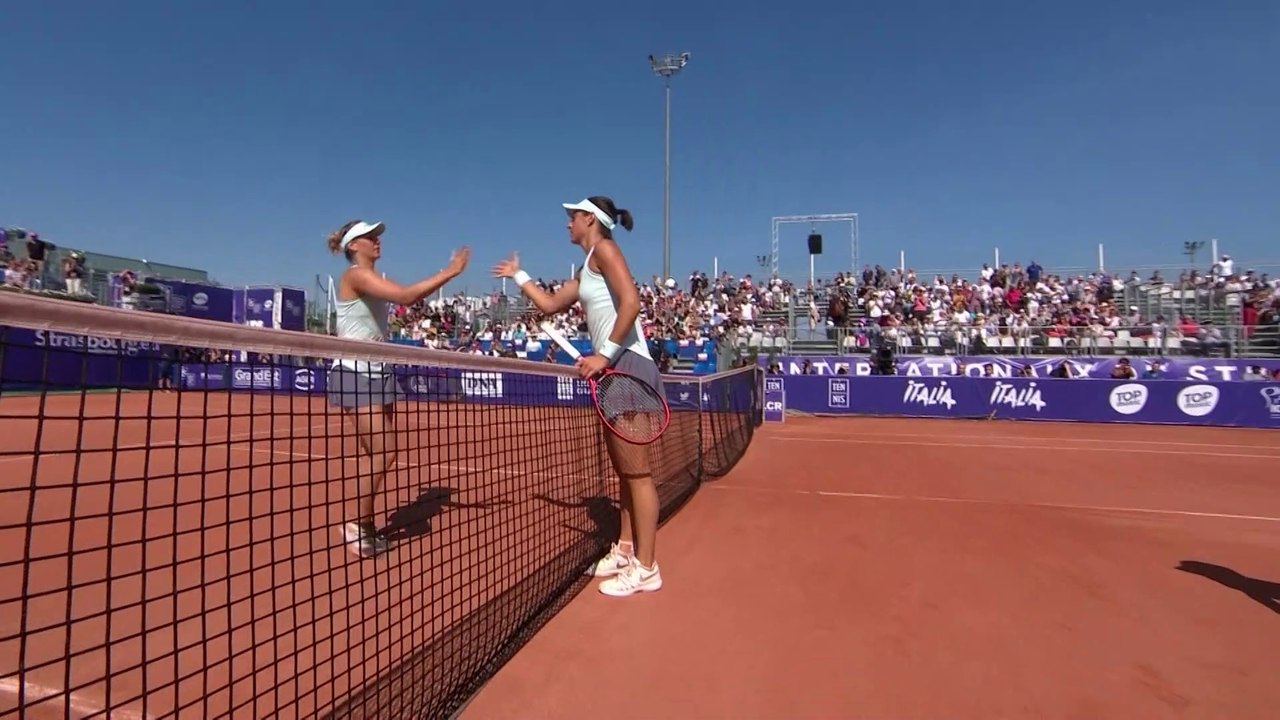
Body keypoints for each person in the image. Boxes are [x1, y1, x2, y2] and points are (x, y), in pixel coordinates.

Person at [491, 196, 665, 597]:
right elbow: (551, 304)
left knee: (637, 473)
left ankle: (648, 567)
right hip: (613, 373)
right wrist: (519, 275)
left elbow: (632, 303)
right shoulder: (587, 268)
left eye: (573, 217)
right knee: (625, 471)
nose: (568, 223)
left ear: (590, 219)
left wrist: (604, 355)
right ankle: (624, 550)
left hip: (627, 367)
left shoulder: (605, 249)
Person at [325, 219, 470, 558]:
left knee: (375, 453)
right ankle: (358, 524)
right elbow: (406, 296)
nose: (377, 241)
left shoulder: (372, 278)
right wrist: (450, 271)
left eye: (377, 236)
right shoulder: (355, 275)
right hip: (353, 371)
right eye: (369, 237)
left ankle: (362, 523)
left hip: (378, 370)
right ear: (352, 246)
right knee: (384, 451)